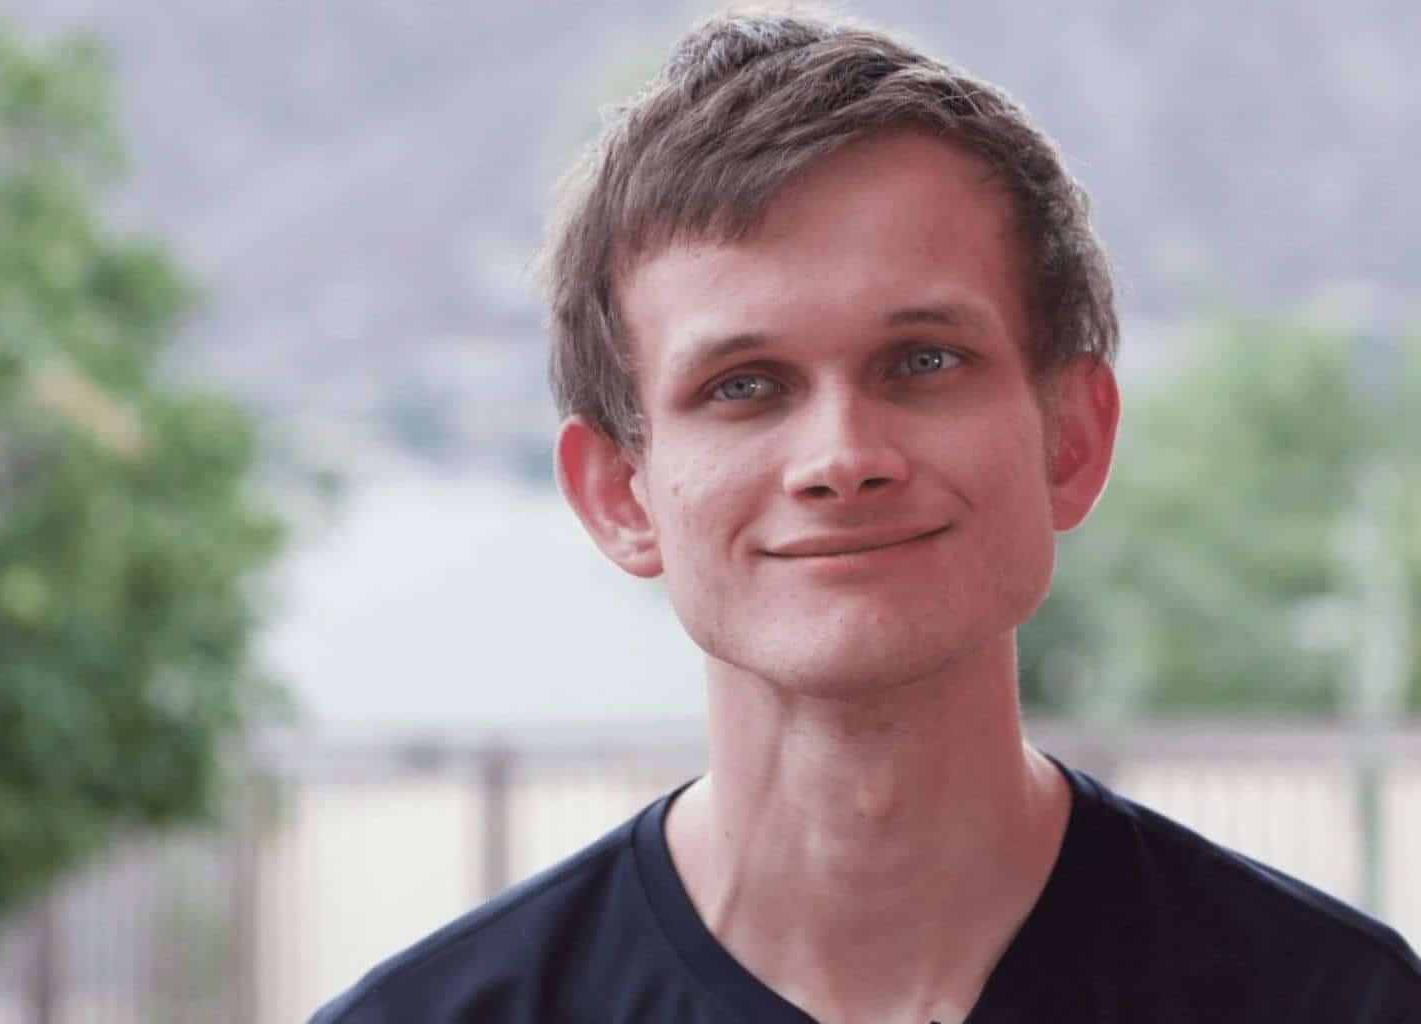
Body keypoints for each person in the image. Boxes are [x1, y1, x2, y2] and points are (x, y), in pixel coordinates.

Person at [311, 7, 1421, 1022]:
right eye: (744, 385)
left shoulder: (1340, 1004)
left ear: (1072, 439)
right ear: (619, 495)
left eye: (923, 360)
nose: (843, 459)